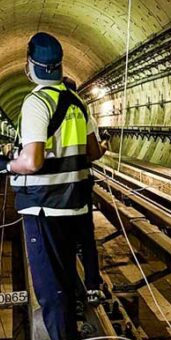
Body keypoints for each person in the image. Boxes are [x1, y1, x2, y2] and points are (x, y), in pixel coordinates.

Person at [0, 33, 105, 340]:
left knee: (51, 287)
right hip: (73, 205)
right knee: (68, 279)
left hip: (44, 206)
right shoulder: (75, 101)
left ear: (30, 65)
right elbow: (95, 151)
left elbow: (32, 160)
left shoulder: (37, 103)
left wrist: (4, 165)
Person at [63, 76, 108, 304]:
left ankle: (66, 287)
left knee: (62, 239)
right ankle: (92, 285)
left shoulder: (42, 109)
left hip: (52, 191)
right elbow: (93, 153)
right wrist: (104, 147)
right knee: (86, 237)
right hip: (79, 184)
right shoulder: (82, 112)